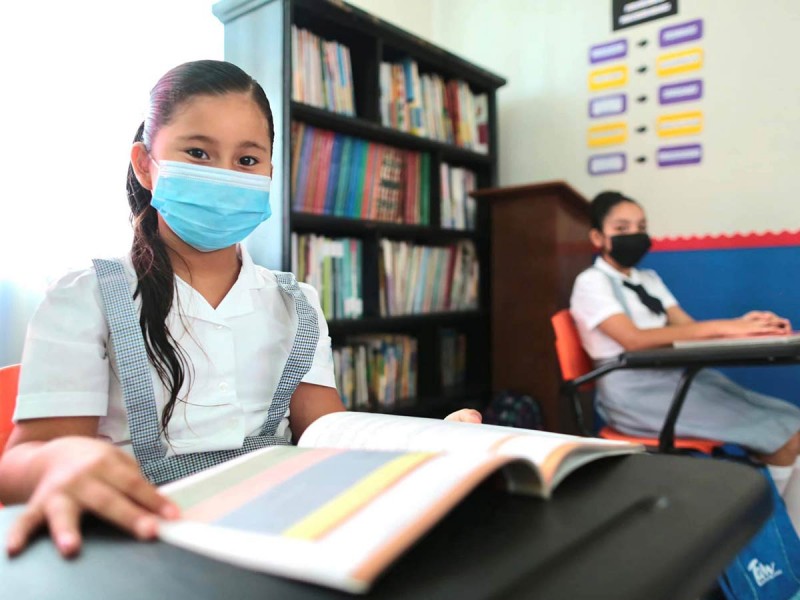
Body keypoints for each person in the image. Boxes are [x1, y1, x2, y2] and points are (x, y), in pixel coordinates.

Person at [0, 60, 481, 558]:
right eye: (198, 152)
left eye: (247, 160)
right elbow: (17, 470)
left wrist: (421, 447)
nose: (224, 176)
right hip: (138, 548)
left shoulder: (296, 303)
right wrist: (55, 464)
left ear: (270, 172)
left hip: (278, 537)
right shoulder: (84, 297)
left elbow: (326, 433)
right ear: (145, 164)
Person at [570, 190, 800, 525]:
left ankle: (783, 533)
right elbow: (633, 340)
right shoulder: (591, 283)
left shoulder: (648, 279)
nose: (634, 234)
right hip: (637, 396)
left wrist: (747, 328)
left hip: (678, 378)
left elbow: (688, 329)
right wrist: (726, 327)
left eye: (641, 226)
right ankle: (769, 534)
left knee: (792, 420)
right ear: (597, 237)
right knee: (785, 437)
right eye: (622, 228)